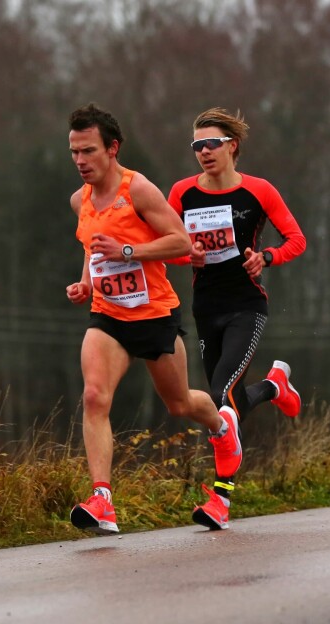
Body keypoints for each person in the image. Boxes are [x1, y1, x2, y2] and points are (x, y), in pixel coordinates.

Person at [65, 103, 240, 534]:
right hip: (107, 316)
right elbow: (93, 247)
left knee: (179, 404)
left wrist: (128, 252)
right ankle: (102, 499)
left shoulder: (138, 190)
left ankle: (222, 425)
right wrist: (86, 281)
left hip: (154, 314)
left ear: (112, 149)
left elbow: (180, 241)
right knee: (94, 396)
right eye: (74, 152)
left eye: (88, 151)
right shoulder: (79, 201)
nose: (80, 161)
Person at [167, 107, 307, 529]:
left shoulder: (259, 191)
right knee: (225, 402)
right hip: (205, 307)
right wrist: (183, 253)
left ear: (232, 146)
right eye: (197, 146)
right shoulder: (182, 193)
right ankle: (273, 386)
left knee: (220, 397)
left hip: (247, 306)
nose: (204, 152)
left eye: (212, 144)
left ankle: (221, 500)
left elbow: (296, 239)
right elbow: (165, 243)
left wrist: (265, 257)